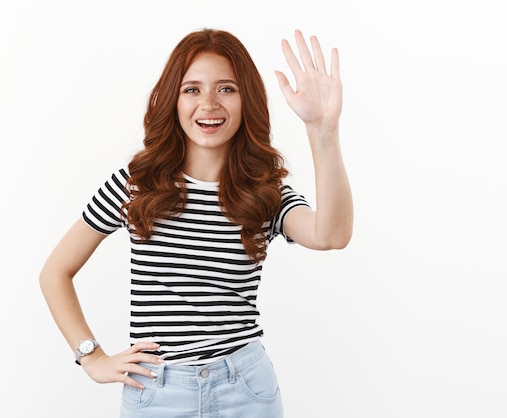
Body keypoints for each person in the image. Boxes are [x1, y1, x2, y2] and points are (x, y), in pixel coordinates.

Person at [39, 28, 352, 417]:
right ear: (172, 99)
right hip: (156, 392)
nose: (208, 103)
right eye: (192, 90)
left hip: (246, 390)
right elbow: (55, 272)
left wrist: (323, 130)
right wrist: (92, 357)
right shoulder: (134, 186)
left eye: (226, 89)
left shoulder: (265, 192)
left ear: (246, 100)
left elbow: (332, 235)